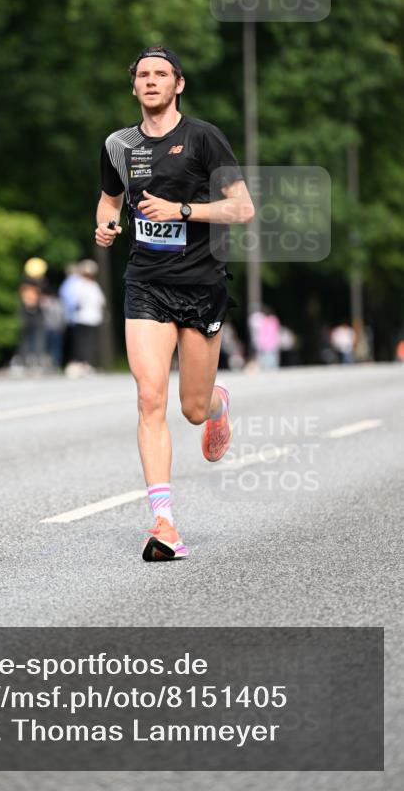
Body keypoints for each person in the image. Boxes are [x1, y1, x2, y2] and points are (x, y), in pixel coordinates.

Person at [96, 45, 254, 561]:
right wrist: (105, 223)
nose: (151, 81)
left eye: (161, 74)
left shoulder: (203, 138)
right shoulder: (120, 144)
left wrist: (182, 209)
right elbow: (110, 198)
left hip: (202, 284)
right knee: (148, 398)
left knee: (190, 408)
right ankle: (163, 522)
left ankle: (216, 404)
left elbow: (241, 208)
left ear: (178, 85)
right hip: (146, 281)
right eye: (142, 74)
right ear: (134, 85)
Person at [65, 259, 106, 375]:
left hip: (81, 317)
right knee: (87, 342)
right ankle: (85, 363)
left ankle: (81, 363)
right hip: (90, 318)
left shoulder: (78, 285)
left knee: (80, 342)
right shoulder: (93, 286)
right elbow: (101, 302)